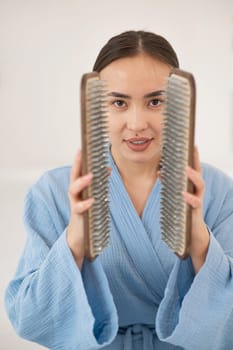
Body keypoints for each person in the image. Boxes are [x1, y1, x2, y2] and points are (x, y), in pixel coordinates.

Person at [4, 30, 233, 350]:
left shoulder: (218, 190)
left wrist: (199, 241)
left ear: (180, 105)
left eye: (156, 101)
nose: (137, 122)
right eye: (119, 102)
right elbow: (28, 318)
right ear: (97, 107)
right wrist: (74, 242)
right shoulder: (54, 192)